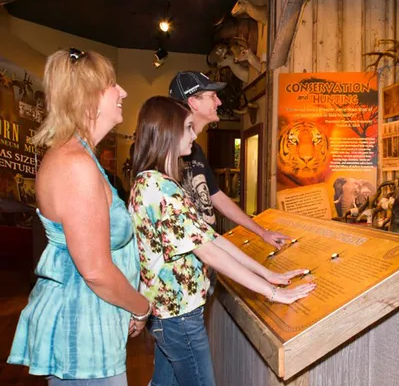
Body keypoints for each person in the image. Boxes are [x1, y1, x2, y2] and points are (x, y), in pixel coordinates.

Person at [128, 96, 315, 386]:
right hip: (179, 316)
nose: (194, 134)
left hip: (169, 315)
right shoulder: (159, 188)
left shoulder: (153, 182)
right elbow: (209, 253)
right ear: (169, 132)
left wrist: (269, 275)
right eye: (188, 128)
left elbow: (211, 237)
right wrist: (272, 293)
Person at [7, 48, 151, 386]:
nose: (124, 93)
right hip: (82, 341)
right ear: (90, 97)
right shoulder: (75, 164)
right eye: (114, 85)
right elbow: (96, 271)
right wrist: (141, 306)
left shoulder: (82, 156)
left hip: (94, 331)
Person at [168, 71, 289, 248]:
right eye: (212, 96)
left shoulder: (196, 150)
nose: (219, 102)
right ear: (193, 103)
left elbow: (216, 196)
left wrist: (262, 232)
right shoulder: (167, 151)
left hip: (206, 257)